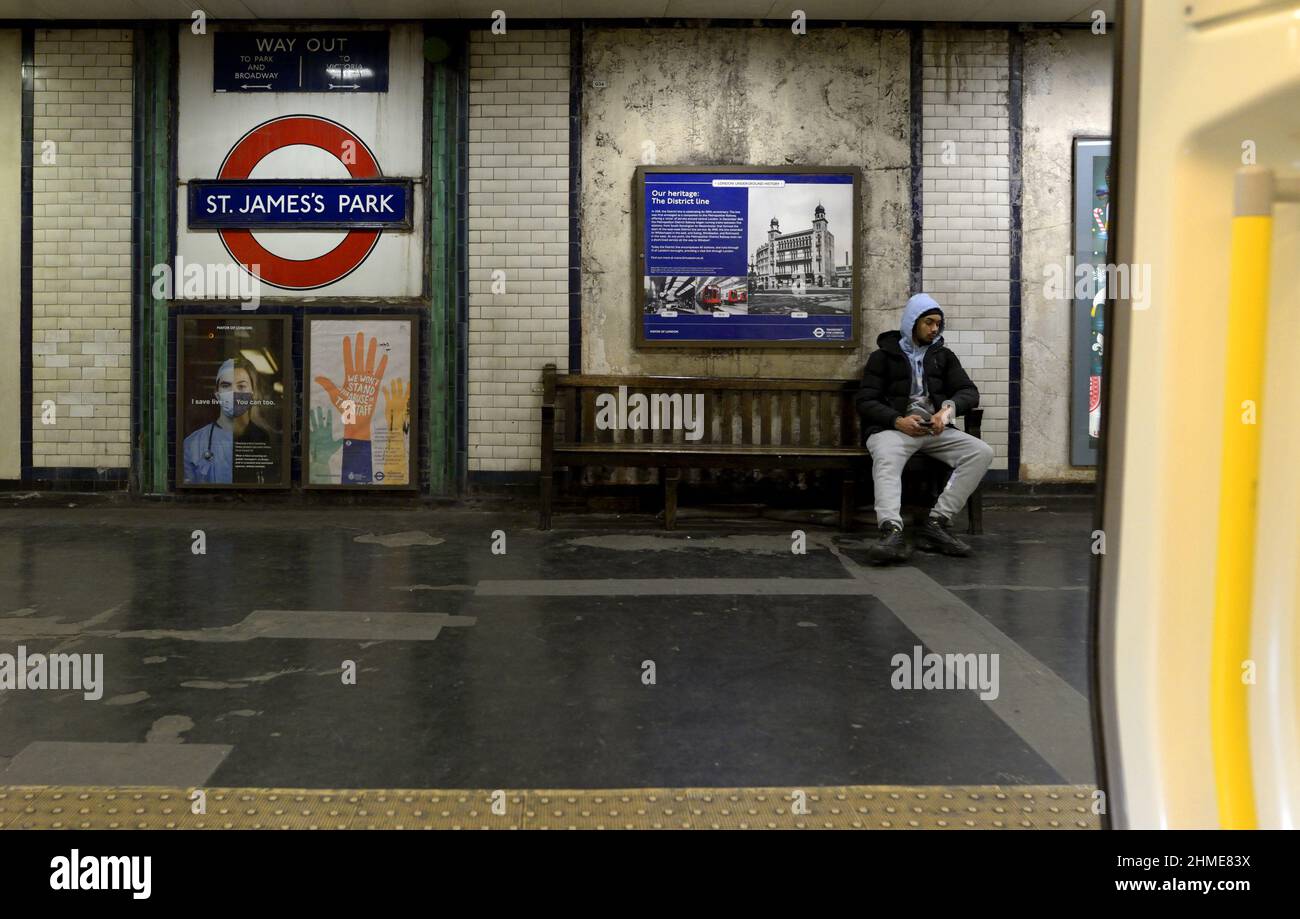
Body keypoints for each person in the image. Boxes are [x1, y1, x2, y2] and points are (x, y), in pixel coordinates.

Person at [855, 293, 994, 564]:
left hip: (933, 431)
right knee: (887, 458)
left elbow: (968, 391)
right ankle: (891, 530)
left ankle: (937, 523)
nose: (934, 329)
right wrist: (897, 420)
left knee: (981, 452)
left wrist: (947, 410)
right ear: (912, 322)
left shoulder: (943, 356)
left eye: (938, 324)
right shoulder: (882, 358)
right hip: (893, 430)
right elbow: (866, 400)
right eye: (929, 322)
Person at [182, 357, 277, 485]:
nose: (233, 393)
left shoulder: (268, 440)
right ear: (217, 394)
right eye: (226, 385)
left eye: (241, 386)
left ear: (252, 393)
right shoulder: (192, 444)